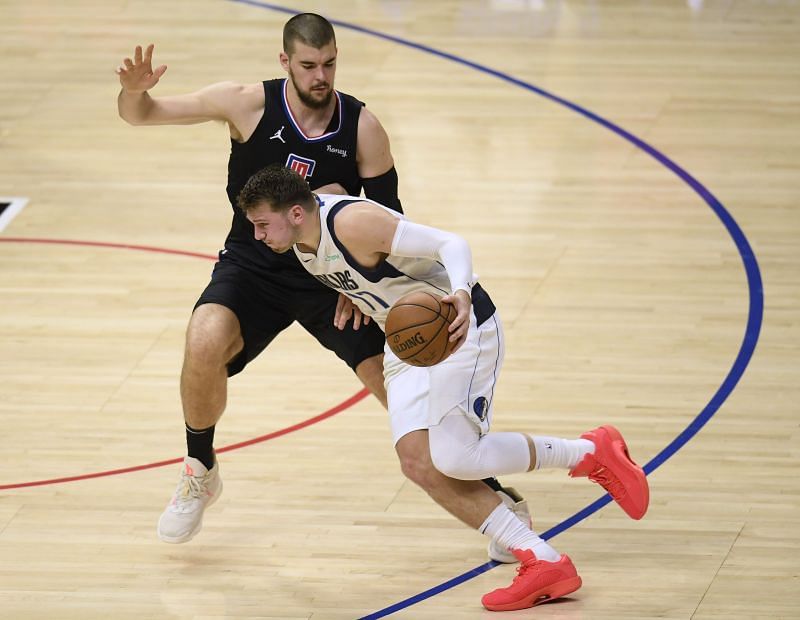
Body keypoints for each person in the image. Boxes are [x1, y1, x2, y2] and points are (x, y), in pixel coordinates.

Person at [115, 13, 529, 562]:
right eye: (309, 65)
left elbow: (389, 224)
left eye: (330, 64)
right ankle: (200, 469)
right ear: (284, 62)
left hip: (330, 275)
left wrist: (357, 281)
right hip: (254, 265)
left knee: (401, 391)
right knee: (203, 339)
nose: (321, 76)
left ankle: (501, 507)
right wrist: (132, 92)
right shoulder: (244, 104)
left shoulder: (362, 128)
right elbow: (143, 115)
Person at [236, 163, 650, 612]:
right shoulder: (305, 241)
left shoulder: (352, 223)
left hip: (458, 328)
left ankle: (588, 453)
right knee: (418, 462)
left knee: (456, 456)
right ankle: (542, 558)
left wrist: (461, 295)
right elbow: (356, 254)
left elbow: (451, 243)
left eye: (261, 225)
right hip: (408, 343)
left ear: (296, 212)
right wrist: (352, 288)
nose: (258, 236)